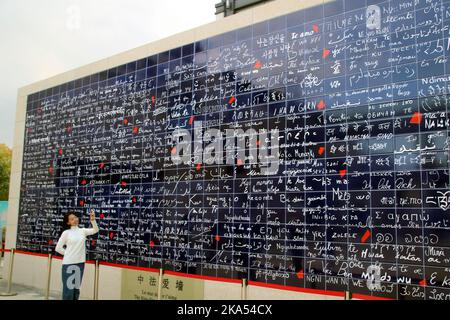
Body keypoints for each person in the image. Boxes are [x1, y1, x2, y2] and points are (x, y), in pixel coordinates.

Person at [55, 209, 99, 300]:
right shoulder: (66, 233)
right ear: (68, 222)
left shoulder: (82, 231)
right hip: (68, 264)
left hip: (80, 263)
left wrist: (93, 220)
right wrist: (68, 254)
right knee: (68, 290)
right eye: (71, 219)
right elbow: (58, 248)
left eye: (75, 217)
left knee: (76, 289)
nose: (74, 219)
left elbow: (95, 230)